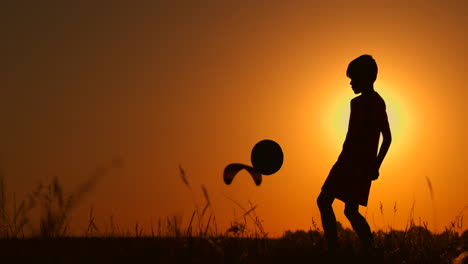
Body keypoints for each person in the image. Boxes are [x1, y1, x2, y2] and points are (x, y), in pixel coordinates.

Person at [317, 55, 392, 252]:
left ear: (366, 77)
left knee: (349, 210)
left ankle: (369, 248)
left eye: (354, 78)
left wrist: (376, 165)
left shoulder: (377, 102)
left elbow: (388, 137)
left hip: (360, 165)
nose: (350, 83)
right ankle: (334, 247)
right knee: (325, 201)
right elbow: (351, 136)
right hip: (345, 161)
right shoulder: (354, 103)